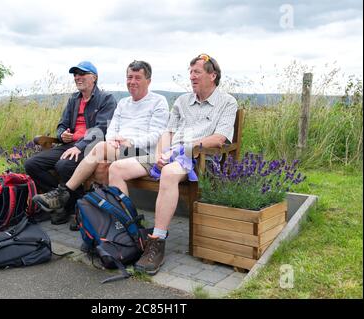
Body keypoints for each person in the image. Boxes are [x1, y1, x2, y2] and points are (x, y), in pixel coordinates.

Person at [108, 54, 238, 275]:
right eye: (191, 72)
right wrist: (161, 153)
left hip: (197, 158)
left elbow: (219, 139)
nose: (192, 77)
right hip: (169, 155)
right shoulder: (181, 101)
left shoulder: (227, 102)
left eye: (197, 72)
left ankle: (157, 241)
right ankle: (131, 233)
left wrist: (183, 149)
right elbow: (167, 132)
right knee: (116, 168)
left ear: (212, 75)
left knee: (168, 172)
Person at [32, 60, 170, 228]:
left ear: (148, 80)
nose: (132, 81)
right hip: (120, 149)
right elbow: (111, 128)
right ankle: (110, 219)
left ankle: (64, 194)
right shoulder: (123, 103)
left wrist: (130, 141)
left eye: (137, 78)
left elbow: (156, 134)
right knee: (101, 166)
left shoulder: (158, 101)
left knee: (98, 149)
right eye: (129, 77)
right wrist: (113, 140)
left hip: (143, 151)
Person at [24, 61, 117, 224]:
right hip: (69, 146)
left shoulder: (106, 99)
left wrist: (79, 146)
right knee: (32, 164)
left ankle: (71, 207)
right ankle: (65, 203)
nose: (77, 77)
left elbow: (102, 129)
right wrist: (63, 134)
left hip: (91, 147)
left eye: (82, 74)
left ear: (94, 77)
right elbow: (62, 124)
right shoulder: (73, 99)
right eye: (75, 75)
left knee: (63, 165)